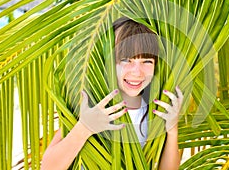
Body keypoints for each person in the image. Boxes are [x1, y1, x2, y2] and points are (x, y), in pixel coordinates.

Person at [41, 17, 183, 170]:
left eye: (147, 61)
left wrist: (172, 130)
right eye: (126, 60)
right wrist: (85, 127)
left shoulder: (154, 111)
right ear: (108, 62)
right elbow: (48, 167)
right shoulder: (92, 106)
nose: (137, 72)